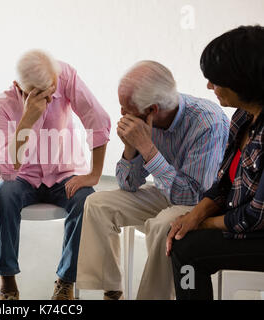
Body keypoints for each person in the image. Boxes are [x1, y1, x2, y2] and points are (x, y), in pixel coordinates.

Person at [77, 60, 230, 300]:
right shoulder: (149, 120)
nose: (122, 114)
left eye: (126, 107)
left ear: (152, 109)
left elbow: (194, 195)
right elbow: (128, 185)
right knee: (97, 204)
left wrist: (148, 149)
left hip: (202, 203)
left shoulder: (207, 122)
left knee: (163, 224)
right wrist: (131, 149)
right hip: (169, 191)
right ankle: (111, 289)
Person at [0, 49, 111, 300]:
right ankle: (7, 277)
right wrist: (27, 120)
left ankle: (66, 280)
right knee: (4, 194)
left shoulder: (64, 75)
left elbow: (98, 119)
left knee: (86, 199)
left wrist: (94, 174)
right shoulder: (2, 106)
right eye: (41, 95)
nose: (50, 99)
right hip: (22, 177)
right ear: (19, 87)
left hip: (63, 172)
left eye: (52, 92)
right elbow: (5, 169)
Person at [168, 25, 264, 300]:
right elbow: (222, 185)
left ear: (243, 80)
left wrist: (205, 224)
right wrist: (194, 216)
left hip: (258, 227)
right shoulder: (242, 118)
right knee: (181, 237)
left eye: (216, 80)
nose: (209, 86)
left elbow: (256, 216)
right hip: (246, 220)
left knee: (186, 249)